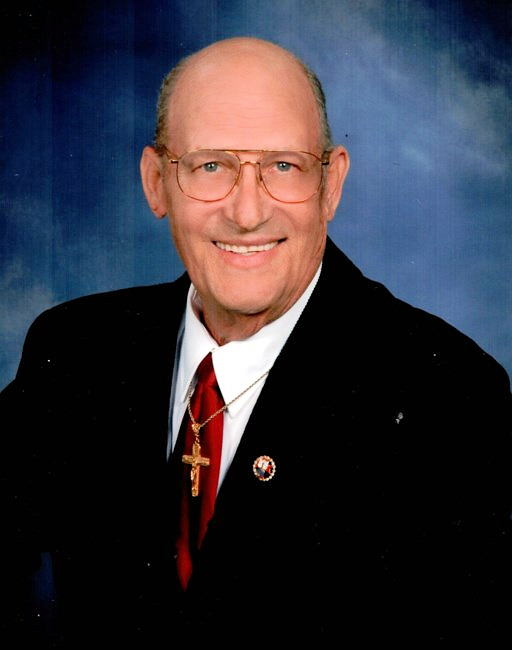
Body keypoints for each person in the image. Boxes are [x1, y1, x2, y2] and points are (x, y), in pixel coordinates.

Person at [1, 36, 512, 646]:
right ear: (156, 182)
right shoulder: (75, 353)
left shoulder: (446, 396)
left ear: (331, 185)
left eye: (283, 167)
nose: (247, 213)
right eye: (210, 166)